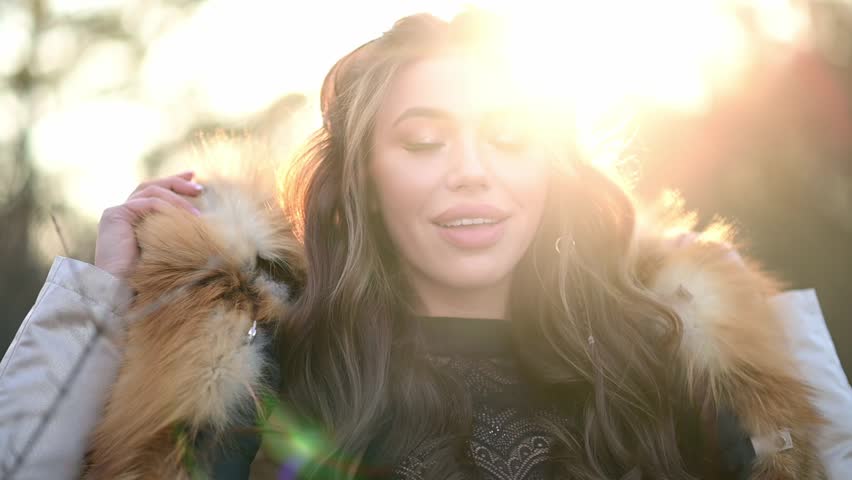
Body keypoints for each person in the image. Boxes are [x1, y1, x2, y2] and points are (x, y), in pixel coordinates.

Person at [0, 11, 837, 480]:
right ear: (363, 178)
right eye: (425, 142)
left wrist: (760, 328)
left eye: (508, 137)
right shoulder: (262, 375)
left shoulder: (660, 359)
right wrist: (98, 302)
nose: (471, 171)